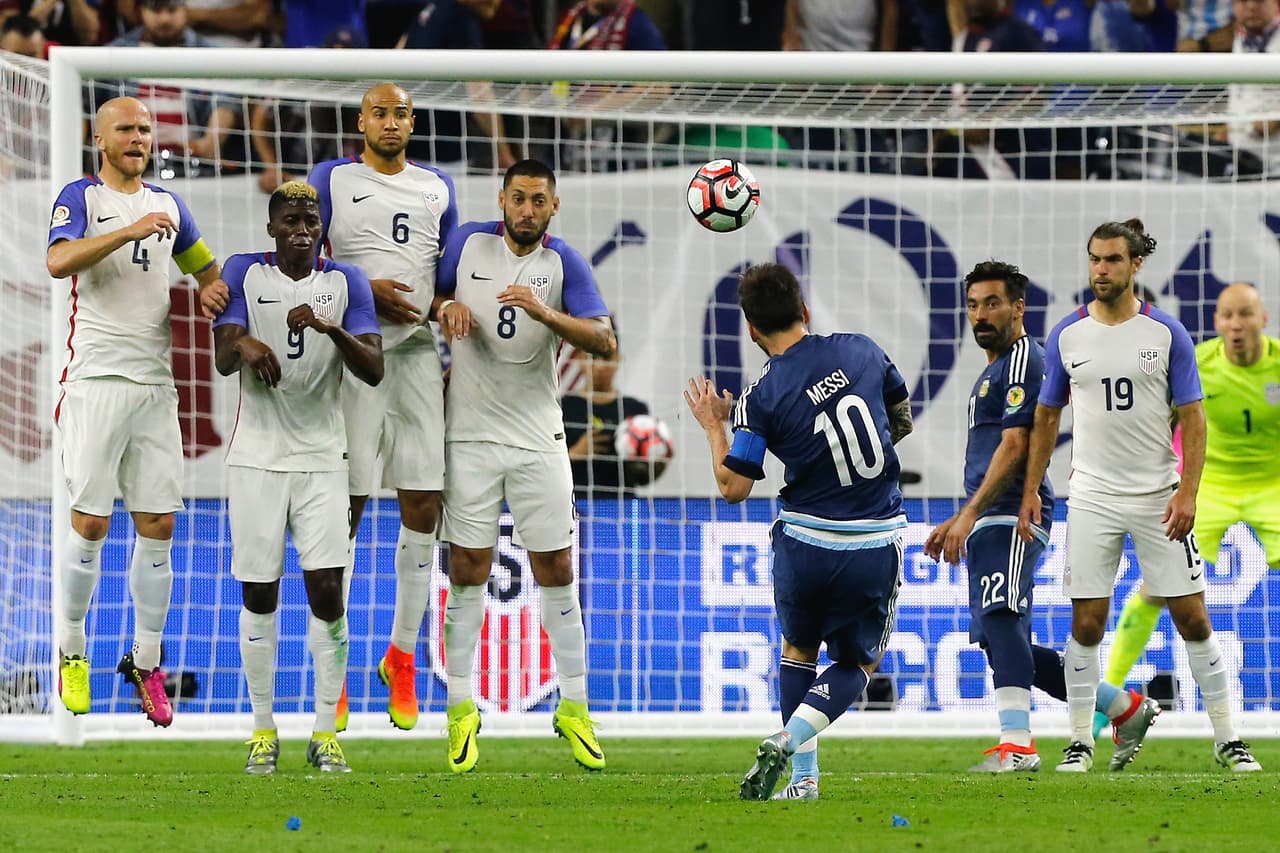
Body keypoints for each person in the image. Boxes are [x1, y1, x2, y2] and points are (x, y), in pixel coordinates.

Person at [1017, 219, 1262, 772]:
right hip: (1093, 497)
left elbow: (1194, 419)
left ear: (1135, 265)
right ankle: (1080, 742)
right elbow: (1047, 416)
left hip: (1159, 495)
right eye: (1094, 260)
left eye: (1112, 260)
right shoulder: (1067, 335)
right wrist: (1031, 488)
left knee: (1193, 618)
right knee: (1086, 623)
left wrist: (1189, 493)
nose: (1100, 270)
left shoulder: (1166, 334)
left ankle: (1229, 740)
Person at [685, 262, 914, 801]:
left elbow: (733, 487)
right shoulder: (863, 349)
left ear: (751, 330)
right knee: (857, 662)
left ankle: (805, 779)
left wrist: (715, 426)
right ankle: (789, 743)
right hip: (871, 537)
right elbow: (900, 419)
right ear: (804, 310)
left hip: (804, 540)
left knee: (797, 650)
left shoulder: (759, 397)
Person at [925, 260, 1158, 773]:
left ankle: (1017, 744)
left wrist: (966, 516)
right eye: (972, 305)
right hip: (992, 513)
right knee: (996, 633)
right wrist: (965, 516)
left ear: (1018, 307)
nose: (980, 314)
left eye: (992, 303)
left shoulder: (1023, 358)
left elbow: (1016, 442)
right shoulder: (992, 370)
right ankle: (1124, 708)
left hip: (1011, 510)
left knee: (1002, 616)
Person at [46, 96, 225, 727]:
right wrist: (123, 231)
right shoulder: (82, 197)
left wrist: (216, 291)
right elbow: (58, 261)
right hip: (94, 380)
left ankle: (147, 662)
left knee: (158, 526)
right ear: (101, 139)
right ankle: (70, 649)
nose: (139, 137)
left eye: (146, 129)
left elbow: (206, 272)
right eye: (126, 128)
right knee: (90, 525)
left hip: (155, 387)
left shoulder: (171, 205)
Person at [433, 159, 616, 773]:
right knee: (467, 566)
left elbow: (605, 341)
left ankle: (576, 707)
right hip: (471, 436)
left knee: (557, 565)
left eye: (539, 201)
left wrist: (546, 314)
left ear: (553, 207)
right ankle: (461, 709)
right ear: (503, 199)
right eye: (519, 199)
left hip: (539, 435)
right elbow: (430, 292)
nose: (528, 211)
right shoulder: (467, 243)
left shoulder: (563, 263)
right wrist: (444, 309)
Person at [211, 181, 383, 774]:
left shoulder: (346, 284)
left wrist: (331, 329)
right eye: (290, 220)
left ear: (321, 227)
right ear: (272, 229)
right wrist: (249, 343)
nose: (301, 228)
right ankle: (263, 730)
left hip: (322, 459)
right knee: (259, 594)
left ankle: (324, 732)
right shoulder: (244, 273)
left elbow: (374, 369)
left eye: (310, 219)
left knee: (328, 594)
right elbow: (222, 353)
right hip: (257, 457)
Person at [308, 82, 459, 733]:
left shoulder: (439, 188)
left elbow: (449, 275)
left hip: (418, 357)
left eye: (400, 113)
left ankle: (401, 653)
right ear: (362, 121)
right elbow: (296, 254)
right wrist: (362, 284)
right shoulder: (330, 178)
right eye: (380, 112)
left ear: (412, 121)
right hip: (353, 358)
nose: (390, 122)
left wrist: (442, 304)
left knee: (423, 501)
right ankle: (333, 669)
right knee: (346, 507)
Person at [1097, 282, 1280, 736]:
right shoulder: (1200, 363)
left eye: (1245, 315)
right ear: (1217, 323)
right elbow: (1161, 420)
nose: (1236, 325)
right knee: (1158, 585)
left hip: (1273, 485)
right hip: (1210, 485)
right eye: (1227, 316)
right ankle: (1108, 703)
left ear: (1263, 320)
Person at [561, 336, 663, 500]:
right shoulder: (563, 407)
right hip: (575, 506)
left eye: (607, 357)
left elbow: (644, 475)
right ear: (579, 359)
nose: (600, 366)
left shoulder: (635, 409)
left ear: (619, 359)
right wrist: (575, 452)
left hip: (624, 505)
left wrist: (652, 464)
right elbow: (543, 464)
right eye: (593, 357)